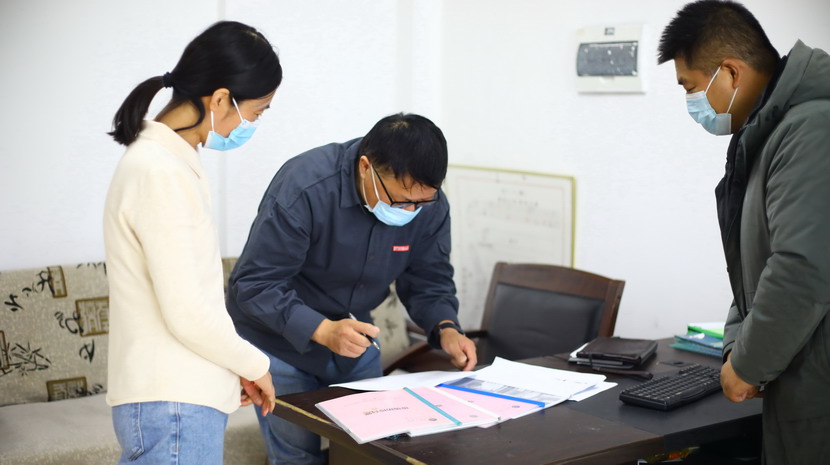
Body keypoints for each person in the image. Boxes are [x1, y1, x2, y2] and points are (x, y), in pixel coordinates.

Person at [226, 112, 478, 464]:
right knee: (296, 457)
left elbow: (429, 278)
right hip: (278, 341)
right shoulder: (306, 186)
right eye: (400, 202)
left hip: (355, 339)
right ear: (365, 167)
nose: (410, 211)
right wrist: (321, 329)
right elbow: (255, 284)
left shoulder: (428, 205)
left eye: (421, 203)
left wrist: (446, 327)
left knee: (373, 451)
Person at [658, 1, 830, 463]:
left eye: (691, 87)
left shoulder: (814, 129)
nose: (692, 103)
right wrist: (737, 347)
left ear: (731, 73)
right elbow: (753, 264)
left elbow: (802, 269)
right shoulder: (770, 132)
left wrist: (748, 365)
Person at [104, 21, 283, 465]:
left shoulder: (169, 161)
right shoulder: (159, 170)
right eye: (257, 112)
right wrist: (255, 364)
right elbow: (186, 310)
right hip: (173, 403)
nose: (253, 124)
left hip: (179, 397)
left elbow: (192, 296)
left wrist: (229, 367)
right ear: (220, 99)